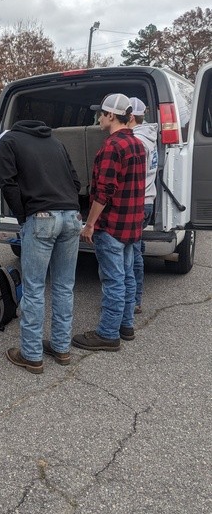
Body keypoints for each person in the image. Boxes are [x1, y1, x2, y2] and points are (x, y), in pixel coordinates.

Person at [0, 119, 82, 373]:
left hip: (41, 216)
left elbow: (8, 183)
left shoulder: (9, 141)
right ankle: (61, 347)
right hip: (72, 216)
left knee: (34, 288)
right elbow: (76, 182)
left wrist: (23, 216)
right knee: (64, 286)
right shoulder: (56, 142)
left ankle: (32, 355)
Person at [72, 94, 146, 352]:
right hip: (131, 224)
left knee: (113, 281)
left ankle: (107, 334)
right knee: (127, 277)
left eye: (101, 114)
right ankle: (126, 326)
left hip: (112, 226)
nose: (99, 118)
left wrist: (90, 224)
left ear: (111, 115)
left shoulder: (111, 147)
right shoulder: (137, 144)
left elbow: (104, 192)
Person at [128, 97, 158, 314]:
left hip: (138, 202)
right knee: (136, 248)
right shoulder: (148, 137)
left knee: (132, 254)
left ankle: (134, 301)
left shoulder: (137, 141)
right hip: (147, 200)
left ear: (130, 116)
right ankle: (134, 298)